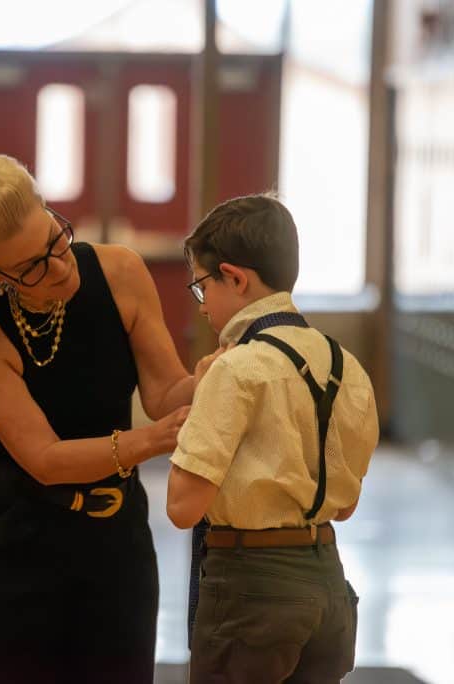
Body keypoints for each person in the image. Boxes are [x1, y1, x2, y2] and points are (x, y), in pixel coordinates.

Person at [0, 153, 214, 683]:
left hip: (113, 536)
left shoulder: (121, 271)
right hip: (16, 538)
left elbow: (166, 394)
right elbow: (46, 459)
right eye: (32, 267)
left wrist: (221, 371)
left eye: (55, 240)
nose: (60, 267)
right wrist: (149, 442)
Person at [166, 193, 380, 683]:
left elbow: (182, 506)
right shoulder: (347, 365)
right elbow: (344, 506)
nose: (201, 308)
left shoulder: (236, 368)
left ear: (235, 278)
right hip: (327, 581)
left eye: (202, 288)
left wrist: (201, 404)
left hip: (251, 592)